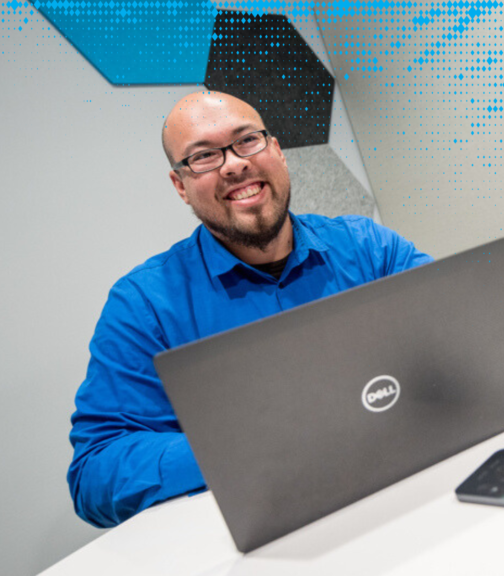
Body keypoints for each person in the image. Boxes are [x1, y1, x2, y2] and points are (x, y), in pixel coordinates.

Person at [67, 91, 433, 528]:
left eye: (247, 140)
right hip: (269, 532)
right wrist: (243, 446)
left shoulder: (370, 249)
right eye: (204, 156)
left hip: (410, 494)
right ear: (181, 186)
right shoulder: (144, 305)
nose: (234, 164)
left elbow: (459, 345)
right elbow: (95, 473)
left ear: (277, 150)